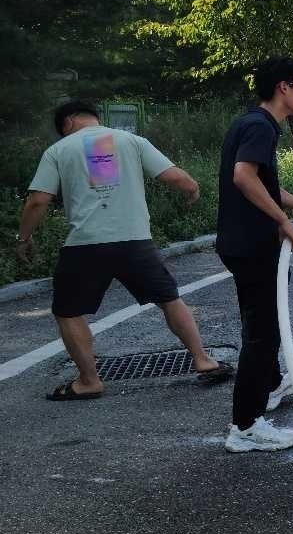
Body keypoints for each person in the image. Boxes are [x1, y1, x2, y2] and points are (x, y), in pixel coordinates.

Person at [17, 100, 233, 400]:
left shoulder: (59, 150)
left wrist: (24, 238)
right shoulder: (129, 140)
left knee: (68, 312)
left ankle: (89, 381)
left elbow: (38, 201)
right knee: (169, 299)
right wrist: (192, 189)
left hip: (86, 245)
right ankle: (203, 360)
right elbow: (176, 177)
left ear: (66, 123)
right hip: (135, 242)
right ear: (94, 117)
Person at [217, 58, 293, 453]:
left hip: (241, 242)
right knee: (263, 334)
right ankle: (246, 425)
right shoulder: (259, 127)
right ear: (283, 87)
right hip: (253, 244)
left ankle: (268, 385)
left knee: (261, 325)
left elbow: (266, 184)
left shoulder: (254, 123)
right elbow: (243, 176)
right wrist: (282, 222)